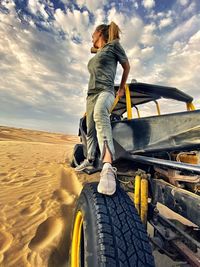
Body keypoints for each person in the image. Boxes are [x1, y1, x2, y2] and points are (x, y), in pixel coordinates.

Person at [75, 21, 130, 195]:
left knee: (100, 114)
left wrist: (121, 87)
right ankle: (90, 159)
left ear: (100, 33)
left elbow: (126, 65)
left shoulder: (114, 46)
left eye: (93, 34)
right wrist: (96, 48)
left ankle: (107, 167)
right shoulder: (100, 51)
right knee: (89, 129)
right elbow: (96, 50)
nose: (91, 37)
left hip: (106, 91)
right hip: (90, 95)